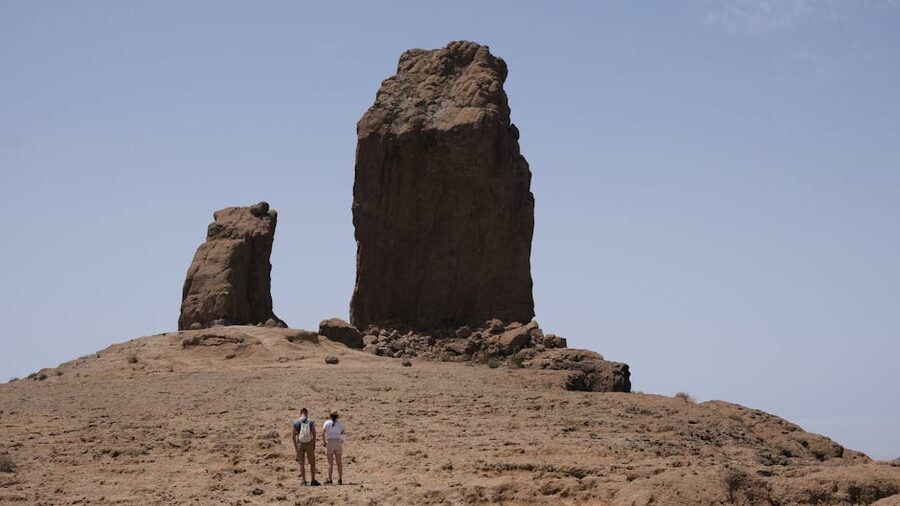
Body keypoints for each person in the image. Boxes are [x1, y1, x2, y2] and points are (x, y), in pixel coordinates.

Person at [292, 408, 320, 486]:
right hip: (309, 444)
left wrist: (296, 446)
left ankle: (304, 481)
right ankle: (313, 480)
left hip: (300, 444)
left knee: (301, 464)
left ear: (300, 413)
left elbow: (293, 435)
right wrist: (314, 444)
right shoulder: (310, 422)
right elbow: (314, 434)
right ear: (307, 413)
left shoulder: (296, 422)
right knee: (312, 463)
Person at [322, 410, 346, 485]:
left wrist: (324, 442)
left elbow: (323, 433)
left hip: (329, 442)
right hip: (338, 442)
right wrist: (341, 440)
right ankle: (340, 479)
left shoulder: (327, 423)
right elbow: (343, 433)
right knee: (339, 462)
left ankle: (330, 479)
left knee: (330, 463)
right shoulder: (340, 423)